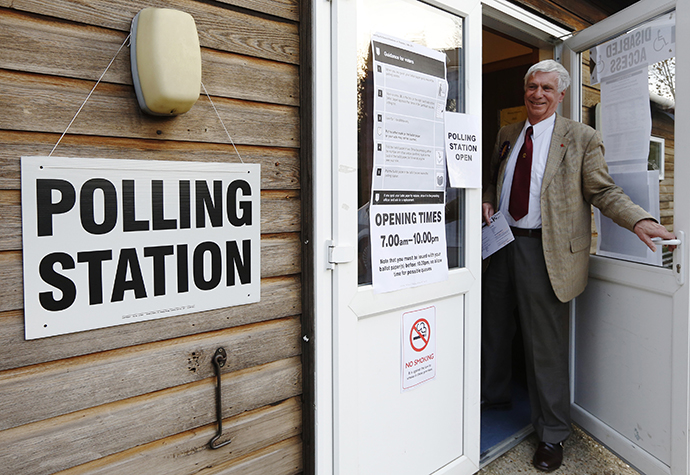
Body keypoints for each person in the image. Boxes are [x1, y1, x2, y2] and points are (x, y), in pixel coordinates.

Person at [481, 59, 675, 472]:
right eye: (532, 86)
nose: (537, 94)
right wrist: (487, 200)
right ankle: (493, 395)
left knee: (545, 349)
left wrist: (639, 219)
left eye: (547, 88)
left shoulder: (581, 137)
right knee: (494, 326)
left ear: (561, 95)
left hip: (545, 252)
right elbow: (494, 177)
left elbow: (603, 191)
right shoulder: (507, 133)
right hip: (501, 244)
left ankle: (552, 434)